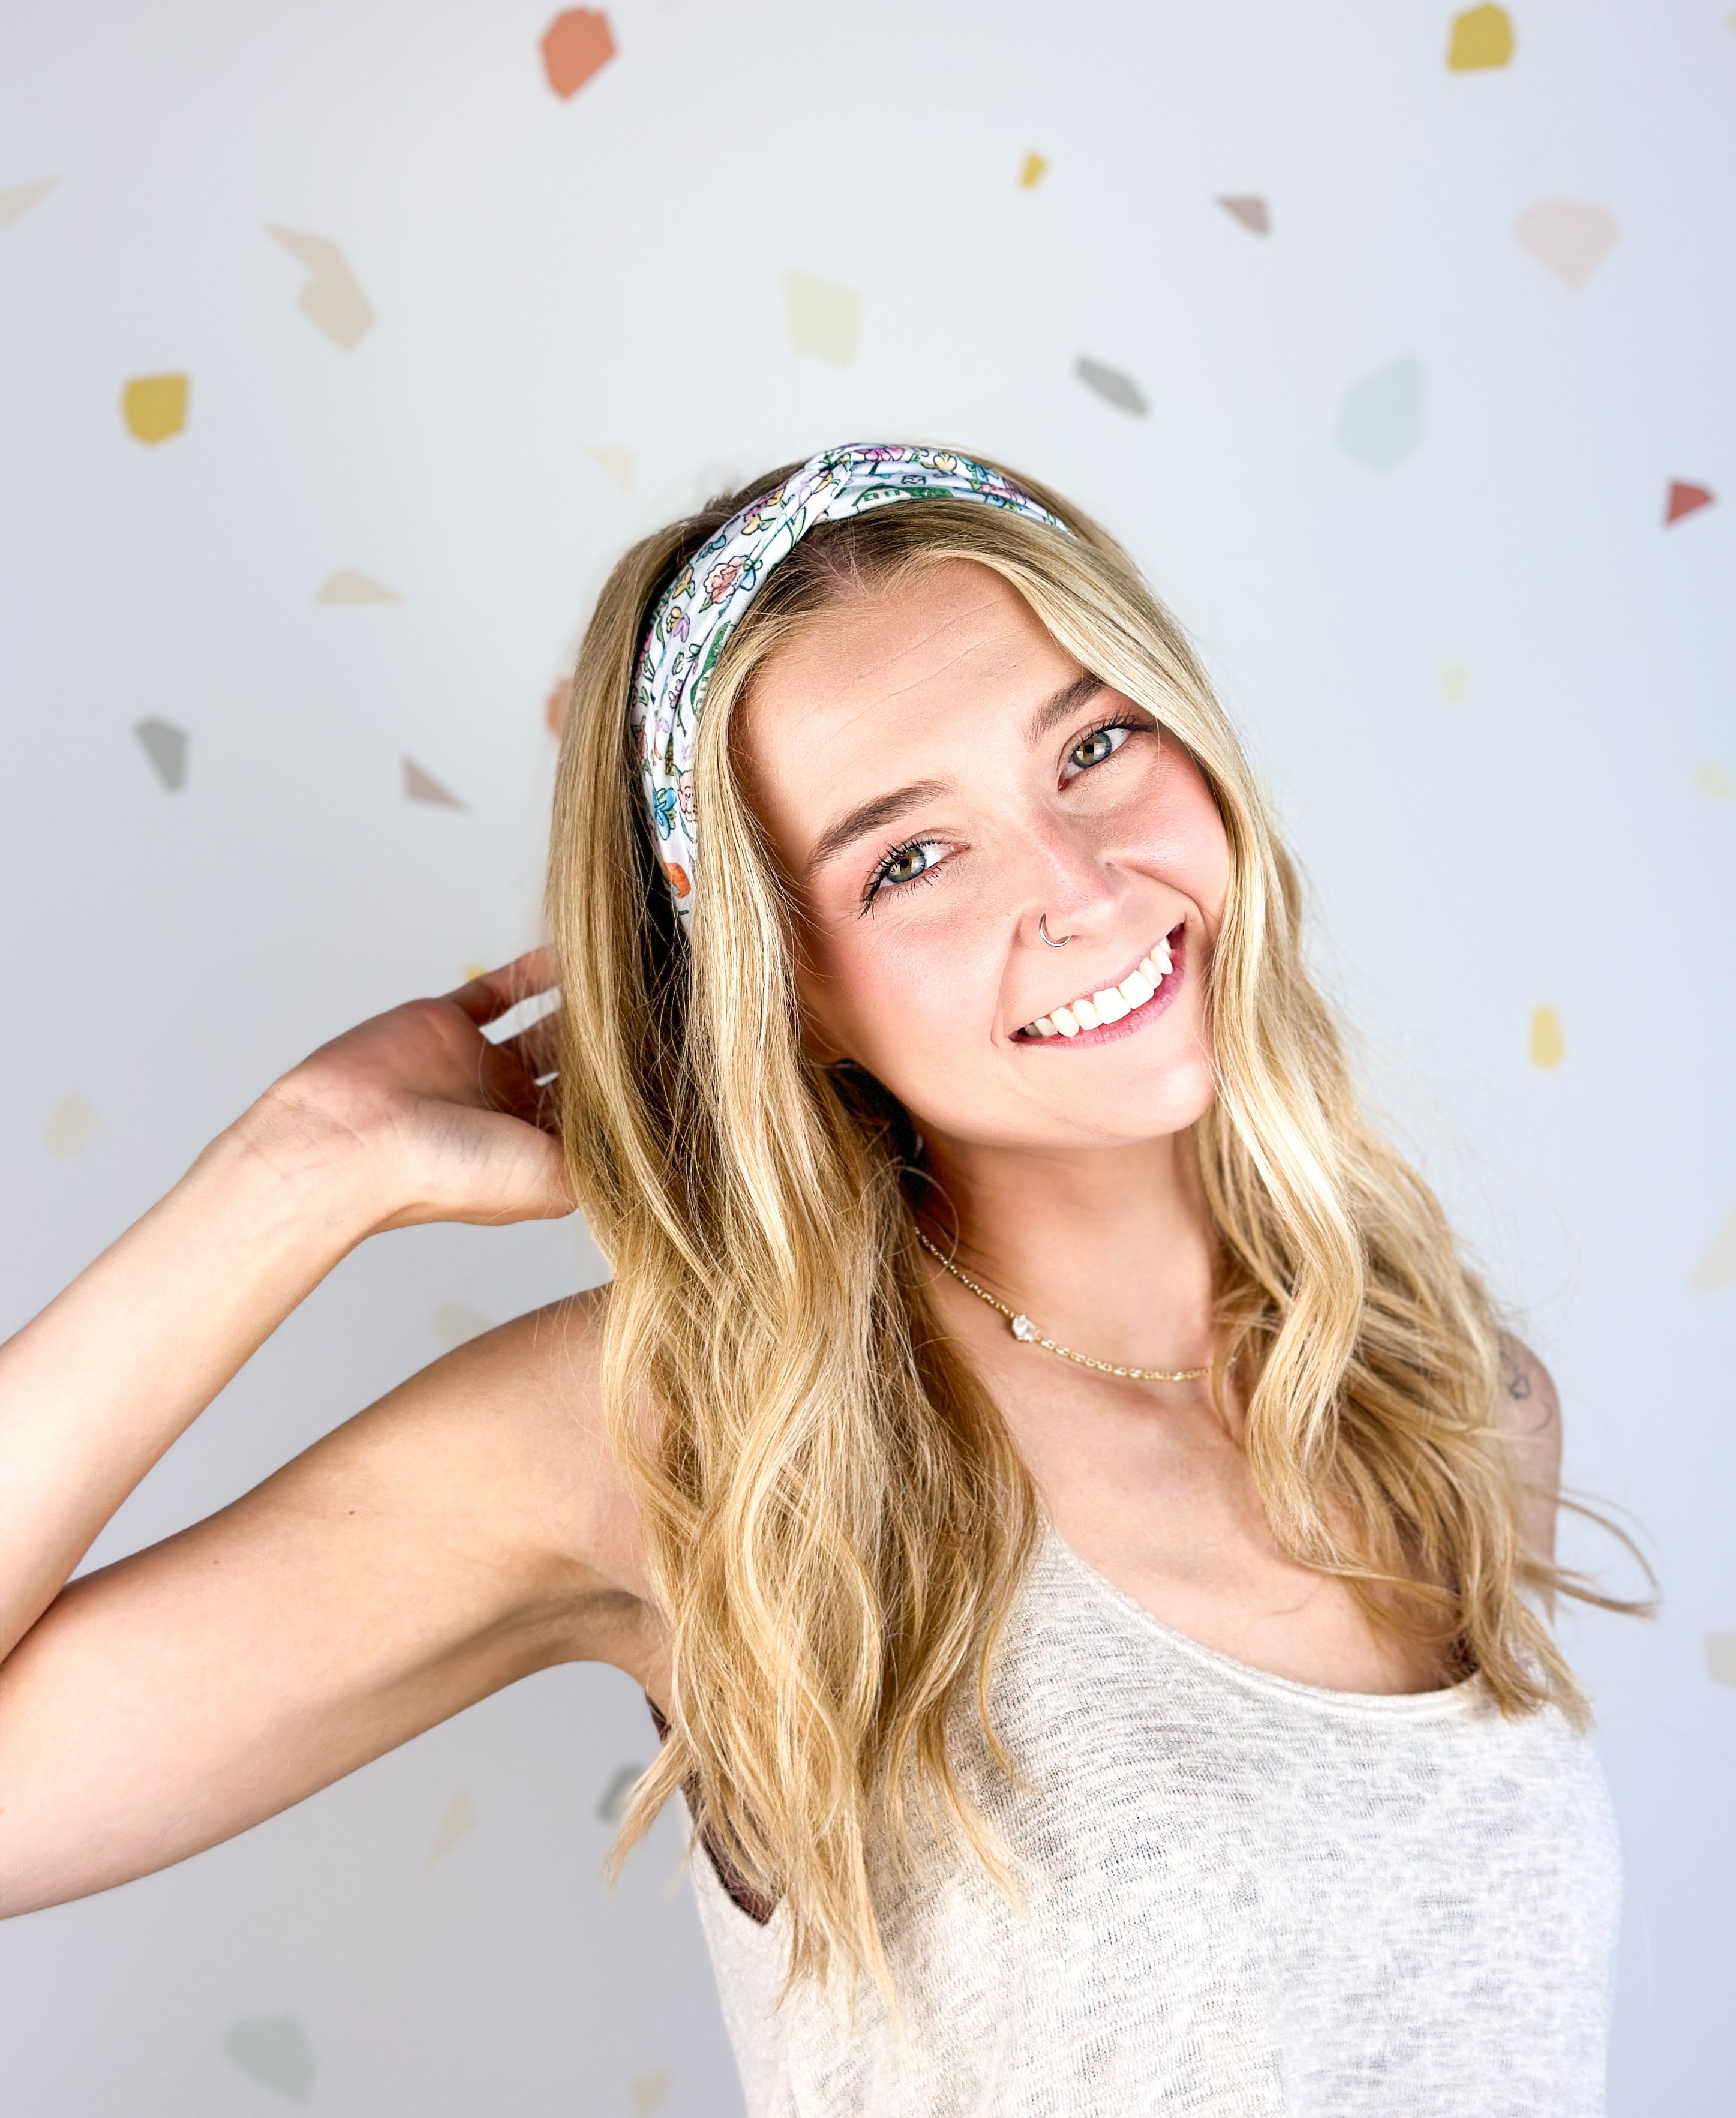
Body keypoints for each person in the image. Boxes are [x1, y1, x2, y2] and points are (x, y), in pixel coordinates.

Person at [0, 443, 1632, 2114]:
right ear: (784, 991)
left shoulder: (1454, 1400)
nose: (1078, 887)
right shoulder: (706, 1437)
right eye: (907, 860)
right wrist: (298, 1171)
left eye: (1093, 745)